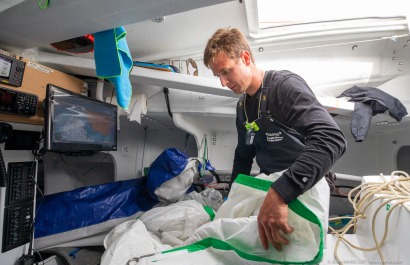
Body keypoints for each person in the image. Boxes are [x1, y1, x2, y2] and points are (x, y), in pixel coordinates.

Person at [203, 28, 346, 251]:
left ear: (246, 57)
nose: (223, 82)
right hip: (269, 186)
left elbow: (331, 139)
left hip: (303, 185)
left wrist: (280, 193)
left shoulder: (284, 87)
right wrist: (232, 197)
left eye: (226, 72)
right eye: (218, 76)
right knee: (227, 237)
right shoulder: (243, 108)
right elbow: (243, 156)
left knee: (285, 250)